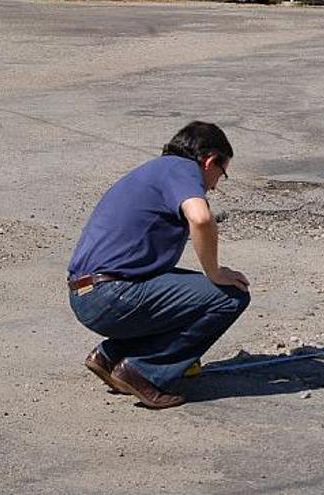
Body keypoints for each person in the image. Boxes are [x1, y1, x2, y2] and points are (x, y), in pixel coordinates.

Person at [67, 121, 250, 409]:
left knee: (189, 294)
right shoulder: (182, 170)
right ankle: (143, 371)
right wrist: (214, 272)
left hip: (88, 292)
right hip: (111, 294)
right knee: (230, 295)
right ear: (210, 160)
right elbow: (201, 219)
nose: (214, 185)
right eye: (220, 174)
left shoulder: (157, 170)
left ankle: (110, 356)